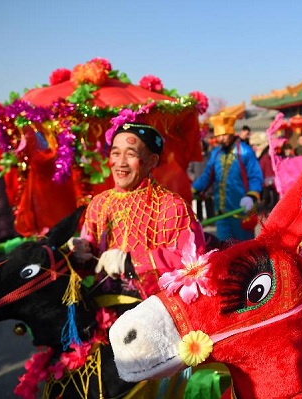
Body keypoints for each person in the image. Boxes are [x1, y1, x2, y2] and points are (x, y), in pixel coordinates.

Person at [73, 112, 206, 299]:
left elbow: (194, 262)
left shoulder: (171, 207)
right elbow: (89, 255)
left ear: (152, 161)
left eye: (131, 154)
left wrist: (131, 262)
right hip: (103, 312)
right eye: (115, 153)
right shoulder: (98, 204)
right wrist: (80, 253)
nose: (120, 162)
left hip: (152, 313)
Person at [192, 113, 263, 241]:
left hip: (241, 211)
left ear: (231, 133)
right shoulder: (216, 153)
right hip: (221, 213)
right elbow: (207, 175)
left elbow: (255, 176)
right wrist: (193, 189)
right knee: (223, 249)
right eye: (218, 136)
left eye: (224, 135)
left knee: (243, 249)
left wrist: (252, 195)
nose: (221, 139)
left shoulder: (245, 151)